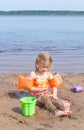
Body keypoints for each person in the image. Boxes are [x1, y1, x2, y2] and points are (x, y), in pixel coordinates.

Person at [18, 51, 71, 117]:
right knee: (45, 99)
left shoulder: (48, 74)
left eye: (47, 67)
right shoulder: (33, 74)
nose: (45, 69)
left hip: (47, 95)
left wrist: (54, 93)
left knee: (54, 100)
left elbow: (54, 85)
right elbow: (30, 88)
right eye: (43, 67)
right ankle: (55, 112)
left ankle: (64, 108)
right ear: (37, 64)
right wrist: (40, 89)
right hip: (36, 97)